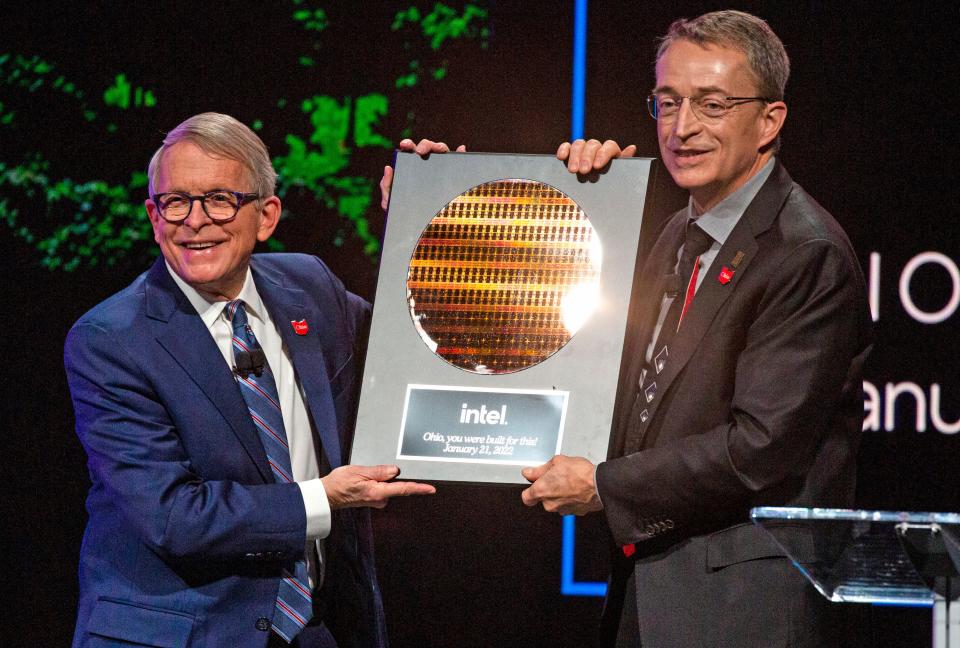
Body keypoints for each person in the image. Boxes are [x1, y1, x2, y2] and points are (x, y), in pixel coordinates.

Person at [381, 10, 871, 647]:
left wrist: (603, 487)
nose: (683, 127)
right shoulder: (676, 234)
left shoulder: (805, 252)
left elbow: (760, 450)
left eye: (712, 105)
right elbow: (572, 351)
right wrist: (450, 212)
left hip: (743, 609)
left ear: (769, 121)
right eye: (668, 103)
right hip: (653, 594)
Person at [66, 112, 435, 648]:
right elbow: (173, 517)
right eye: (175, 202)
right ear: (153, 215)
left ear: (266, 216)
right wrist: (325, 498)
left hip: (322, 629)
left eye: (219, 199)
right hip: (184, 633)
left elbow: (410, 352)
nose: (194, 220)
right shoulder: (110, 340)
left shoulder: (308, 286)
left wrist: (427, 216)